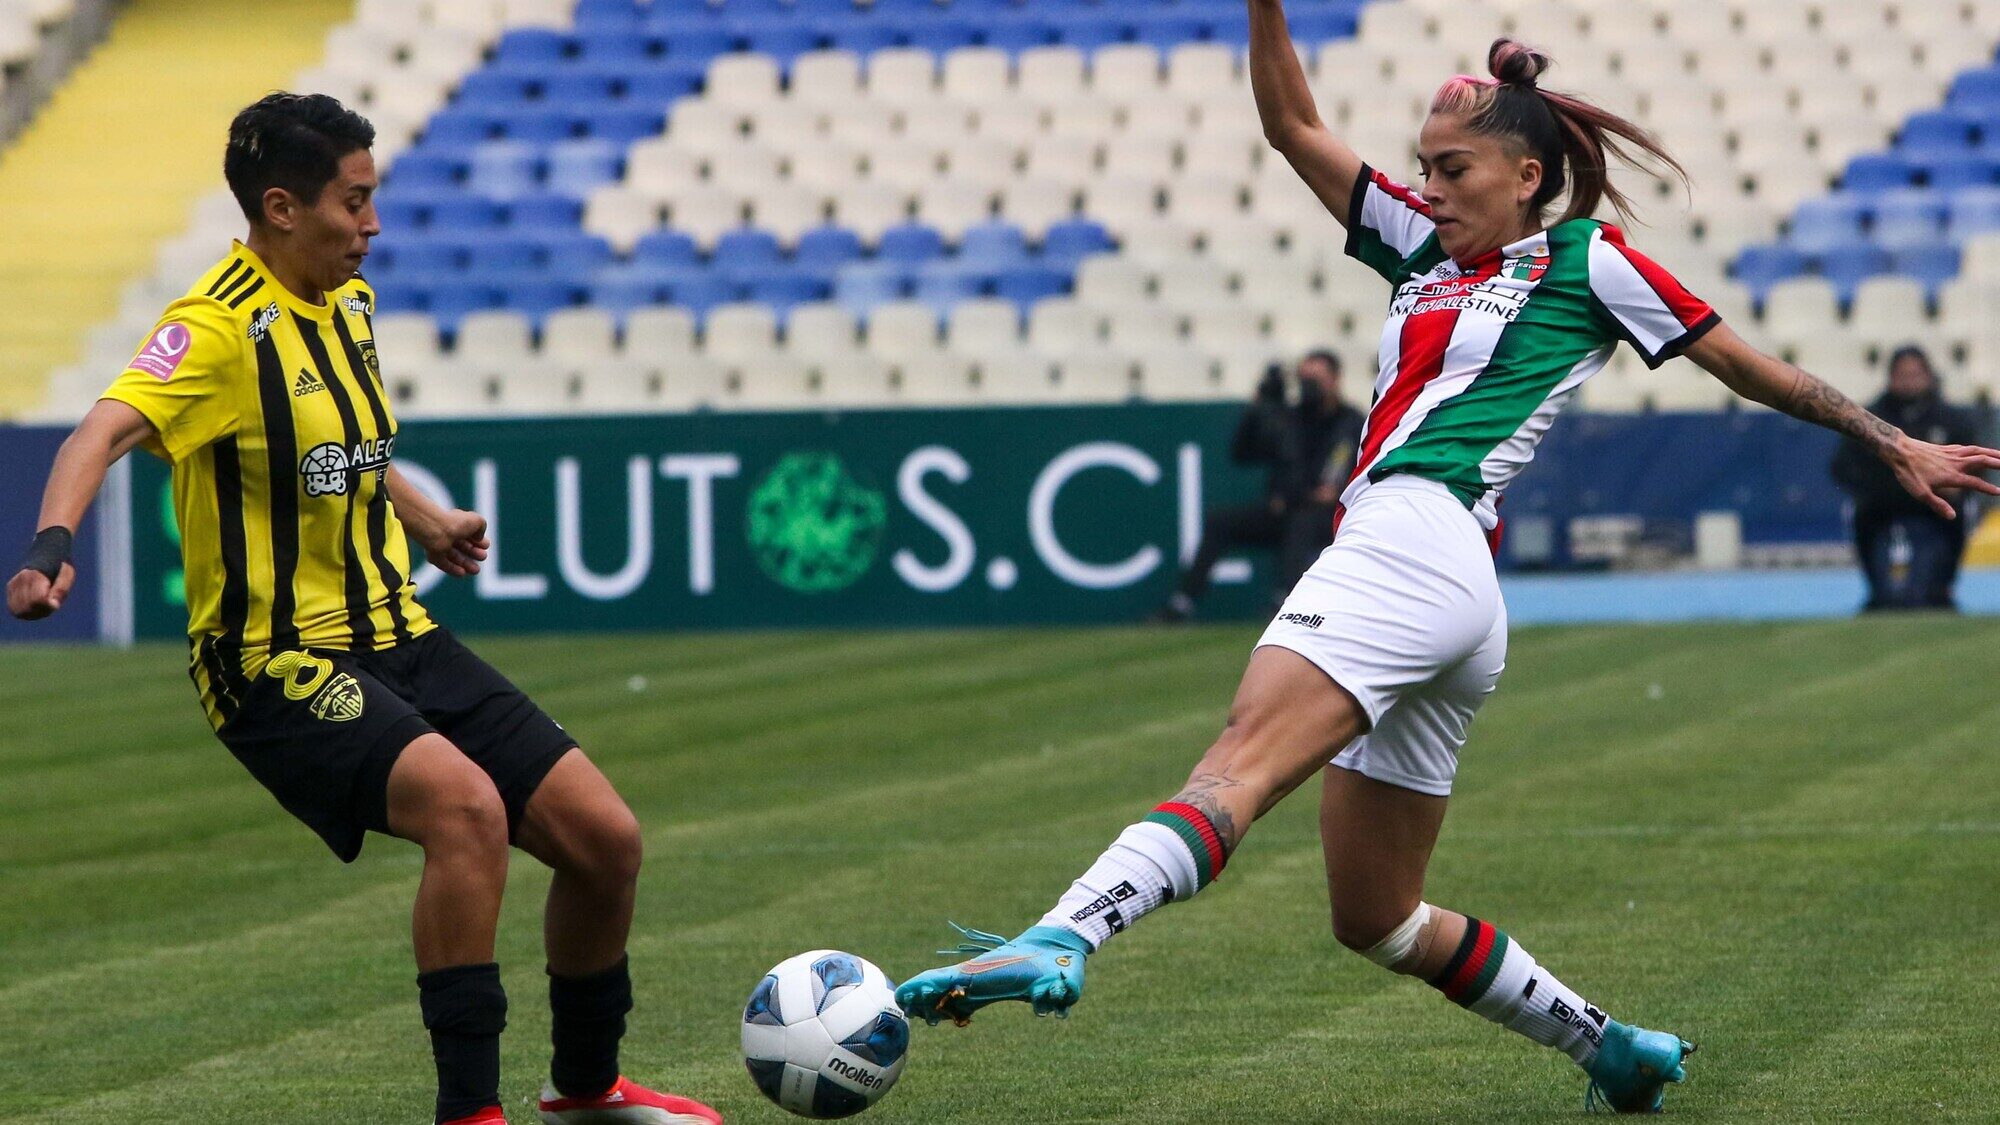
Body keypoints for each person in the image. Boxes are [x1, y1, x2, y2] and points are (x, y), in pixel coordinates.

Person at [894, 16, 2000, 1115]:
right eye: (1422, 166)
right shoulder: (1417, 249)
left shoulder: (1587, 260)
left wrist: (1891, 440)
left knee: (1239, 760)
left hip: (1413, 538)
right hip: (1445, 581)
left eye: (1451, 168)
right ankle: (1609, 1048)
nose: (1426, 186)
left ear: (1527, 176)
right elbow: (1289, 124)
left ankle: (1059, 933)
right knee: (1375, 915)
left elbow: (1744, 365)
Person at [5, 94, 722, 1125]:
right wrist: (49, 546)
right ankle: (467, 1112)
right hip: (273, 661)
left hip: (397, 636)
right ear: (285, 206)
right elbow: (96, 436)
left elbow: (342, 449)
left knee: (606, 840)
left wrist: (423, 519)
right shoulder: (211, 332)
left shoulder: (350, 305)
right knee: (465, 812)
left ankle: (584, 1093)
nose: (372, 224)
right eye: (357, 201)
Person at [1154, 349, 1364, 621]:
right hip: (1283, 509)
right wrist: (1258, 409)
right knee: (1221, 522)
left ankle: (1286, 602)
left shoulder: (1352, 423)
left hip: (1326, 516)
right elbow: (1242, 454)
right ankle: (1182, 602)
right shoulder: (1287, 418)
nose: (1309, 387)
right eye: (1305, 379)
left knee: (1301, 522)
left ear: (1335, 380)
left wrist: (1327, 494)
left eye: (1317, 379)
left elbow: (1350, 475)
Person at [1831, 345, 1982, 611]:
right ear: (1890, 378)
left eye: (1915, 375)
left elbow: (1973, 464)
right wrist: (1876, 486)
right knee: (1888, 598)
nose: (1909, 382)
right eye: (1902, 375)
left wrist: (1956, 487)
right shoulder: (1870, 419)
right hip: (1881, 511)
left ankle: (1941, 588)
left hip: (1934, 512)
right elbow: (1843, 466)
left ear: (1928, 376)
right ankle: (1879, 592)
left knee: (1925, 593)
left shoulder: (1951, 419)